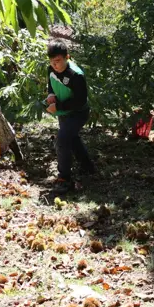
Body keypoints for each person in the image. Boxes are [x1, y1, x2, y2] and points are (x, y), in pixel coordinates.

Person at [45, 40, 96, 194]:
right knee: (71, 139)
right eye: (52, 61)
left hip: (78, 113)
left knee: (62, 139)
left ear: (67, 57)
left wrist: (58, 107)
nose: (55, 65)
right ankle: (88, 167)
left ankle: (64, 178)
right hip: (63, 112)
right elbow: (50, 82)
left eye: (58, 61)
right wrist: (51, 94)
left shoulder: (76, 75)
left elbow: (80, 101)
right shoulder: (51, 69)